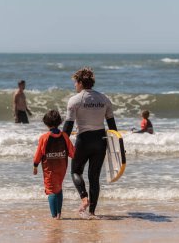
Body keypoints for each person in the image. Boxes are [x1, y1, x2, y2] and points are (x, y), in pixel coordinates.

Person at [63, 67, 117, 219]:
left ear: (80, 82)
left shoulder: (75, 100)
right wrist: (117, 149)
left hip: (84, 140)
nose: (75, 85)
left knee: (75, 171)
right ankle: (92, 212)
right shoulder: (104, 99)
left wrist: (62, 143)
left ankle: (84, 197)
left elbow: (68, 127)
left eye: (75, 83)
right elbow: (112, 128)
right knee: (94, 177)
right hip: (101, 140)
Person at [33, 110, 75, 220]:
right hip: (62, 167)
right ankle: (59, 213)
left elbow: (39, 153)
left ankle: (54, 216)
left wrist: (35, 165)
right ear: (59, 122)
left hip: (49, 169)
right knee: (59, 188)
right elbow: (72, 152)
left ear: (46, 123)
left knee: (51, 190)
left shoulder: (44, 137)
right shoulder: (65, 136)